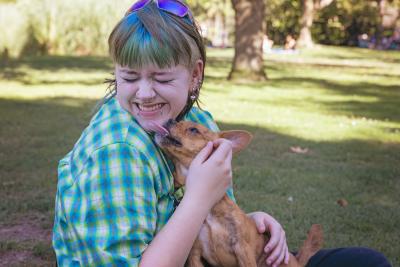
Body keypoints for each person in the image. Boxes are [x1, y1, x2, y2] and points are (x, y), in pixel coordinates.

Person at [52, 1, 392, 267]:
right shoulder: (116, 151)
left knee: (365, 261)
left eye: (162, 78)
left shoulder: (196, 119)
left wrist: (250, 223)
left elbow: (213, 219)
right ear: (116, 72)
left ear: (195, 75)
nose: (144, 94)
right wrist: (197, 197)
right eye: (129, 78)